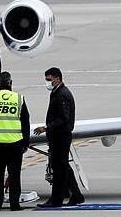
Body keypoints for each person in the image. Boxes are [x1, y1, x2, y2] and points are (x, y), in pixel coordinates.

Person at [34, 67, 84, 207]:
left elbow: (63, 118)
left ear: (57, 78)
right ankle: (76, 195)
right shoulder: (58, 92)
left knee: (59, 169)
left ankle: (56, 199)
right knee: (63, 167)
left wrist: (47, 127)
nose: (47, 83)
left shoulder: (61, 94)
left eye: (48, 79)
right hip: (59, 136)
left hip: (60, 136)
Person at [0, 71, 30, 211]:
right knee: (14, 176)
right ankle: (14, 205)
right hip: (15, 144)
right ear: (10, 83)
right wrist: (25, 143)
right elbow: (25, 122)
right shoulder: (19, 99)